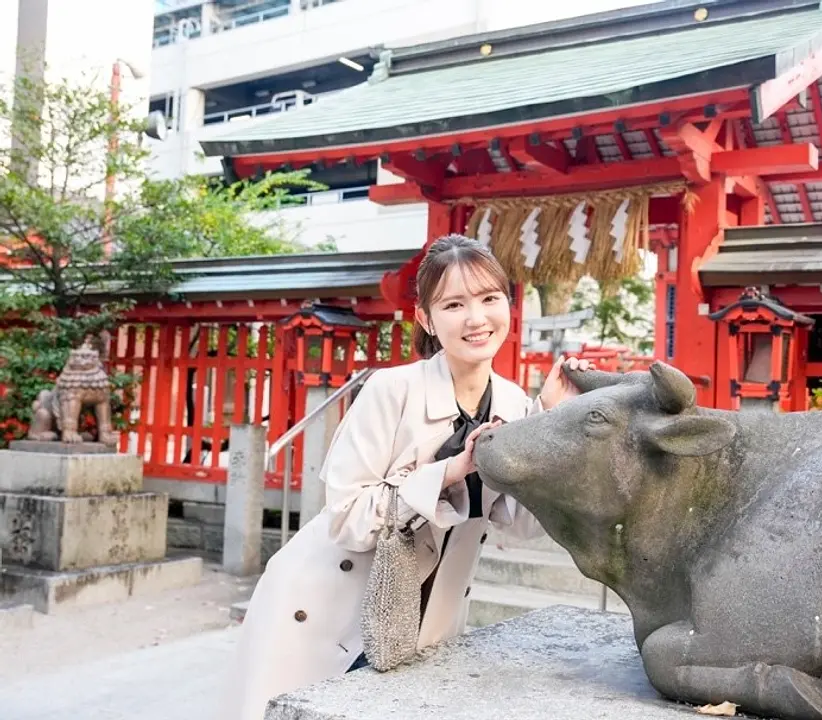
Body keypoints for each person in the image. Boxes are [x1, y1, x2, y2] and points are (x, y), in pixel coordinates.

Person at [218, 234, 590, 720]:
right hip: (326, 609)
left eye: (489, 298)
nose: (476, 318)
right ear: (426, 318)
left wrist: (553, 423)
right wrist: (451, 471)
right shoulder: (390, 389)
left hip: (424, 621)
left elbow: (520, 524)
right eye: (454, 304)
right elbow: (346, 517)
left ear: (508, 305)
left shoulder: (516, 404)